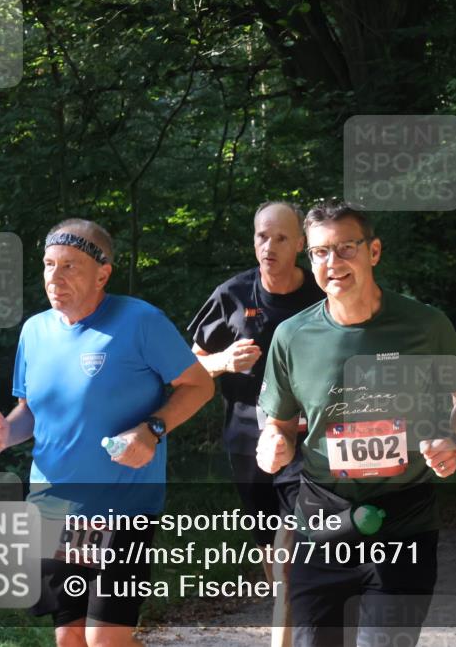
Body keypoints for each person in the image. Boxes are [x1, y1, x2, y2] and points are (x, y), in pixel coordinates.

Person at [256, 203, 456, 647]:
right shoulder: (292, 336)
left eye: (345, 248)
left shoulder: (425, 325)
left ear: (374, 251)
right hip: (321, 527)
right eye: (321, 252)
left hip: (404, 524)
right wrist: (273, 441)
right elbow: (279, 423)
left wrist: (453, 437)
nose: (332, 263)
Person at [0, 218, 214, 647]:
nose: (55, 276)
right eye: (49, 264)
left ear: (103, 273)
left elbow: (200, 385)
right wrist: (5, 434)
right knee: (69, 638)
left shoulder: (140, 321)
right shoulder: (35, 331)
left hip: (124, 504)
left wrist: (153, 429)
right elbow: (31, 410)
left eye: (70, 265)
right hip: (53, 505)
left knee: (105, 639)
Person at [187, 201, 324, 647]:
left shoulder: (321, 297)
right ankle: (287, 605)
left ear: (300, 244)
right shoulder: (232, 295)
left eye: (281, 238)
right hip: (246, 435)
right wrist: (223, 360)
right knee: (270, 547)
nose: (270, 246)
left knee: (289, 555)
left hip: (304, 439)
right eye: (263, 237)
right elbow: (191, 364)